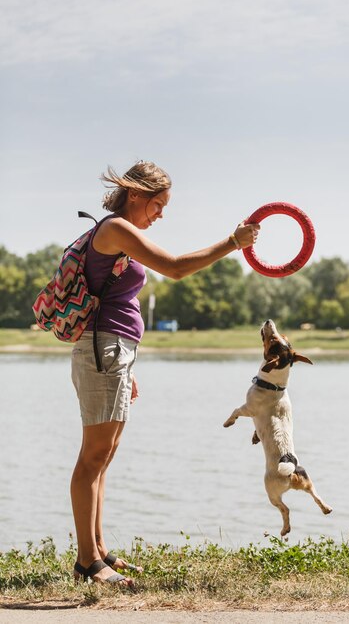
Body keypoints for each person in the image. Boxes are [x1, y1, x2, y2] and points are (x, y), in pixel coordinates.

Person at [70, 160, 260, 585]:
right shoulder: (116, 228)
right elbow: (174, 267)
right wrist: (233, 242)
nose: (160, 214)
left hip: (114, 352)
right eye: (158, 205)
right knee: (93, 457)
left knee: (104, 456)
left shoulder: (121, 231)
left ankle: (98, 550)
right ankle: (87, 563)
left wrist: (126, 365)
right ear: (135, 195)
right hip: (103, 350)